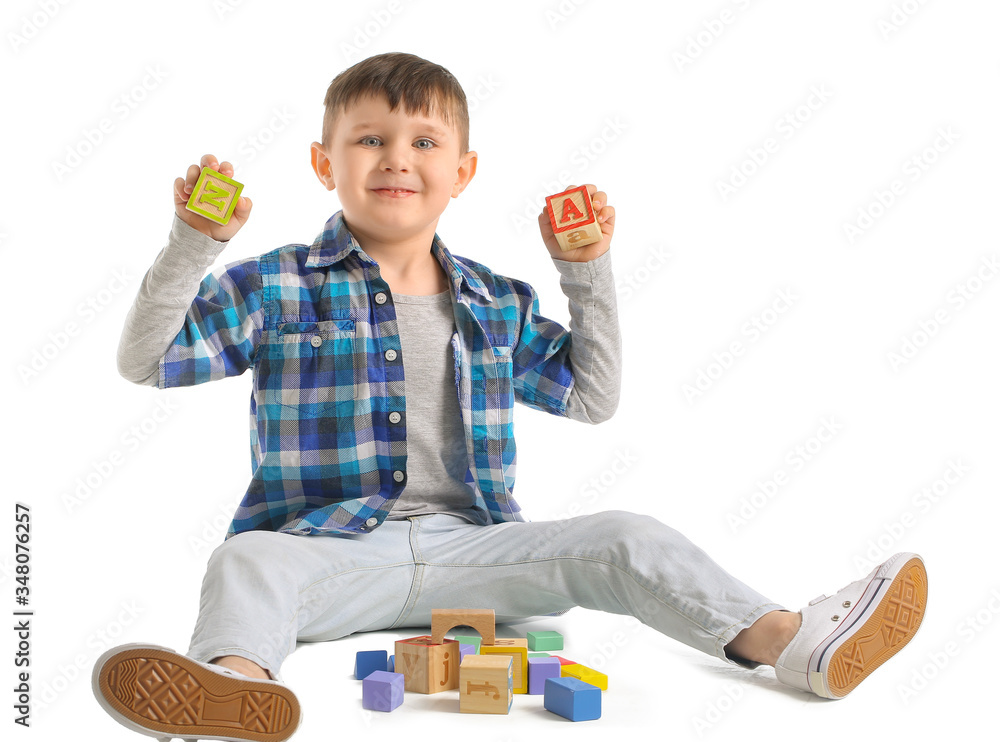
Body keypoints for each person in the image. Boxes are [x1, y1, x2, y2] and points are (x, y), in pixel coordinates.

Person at [92, 52, 927, 741]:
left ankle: (792, 643)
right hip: (328, 554)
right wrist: (191, 244)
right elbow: (148, 360)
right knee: (246, 560)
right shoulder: (273, 283)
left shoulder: (493, 300)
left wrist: (586, 270)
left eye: (424, 141)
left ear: (463, 171)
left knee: (626, 536)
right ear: (324, 162)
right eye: (369, 139)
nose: (396, 158)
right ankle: (229, 689)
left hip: (478, 554)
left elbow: (593, 398)